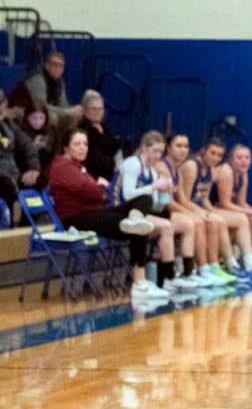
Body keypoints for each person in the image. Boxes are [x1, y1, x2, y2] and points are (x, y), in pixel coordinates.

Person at [46, 127, 168, 301]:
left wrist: (100, 189)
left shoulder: (79, 167)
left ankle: (134, 219)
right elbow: (94, 192)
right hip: (75, 219)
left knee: (143, 200)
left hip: (93, 212)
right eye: (77, 144)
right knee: (139, 228)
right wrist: (101, 187)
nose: (83, 148)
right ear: (66, 147)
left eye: (85, 144)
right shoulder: (62, 167)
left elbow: (100, 194)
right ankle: (139, 283)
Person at [120, 131, 204, 293]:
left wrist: (164, 193)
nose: (158, 155)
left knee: (185, 225)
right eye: (155, 151)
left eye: (160, 151)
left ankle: (185, 274)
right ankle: (168, 276)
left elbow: (158, 206)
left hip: (141, 211)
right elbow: (127, 195)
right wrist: (155, 187)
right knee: (168, 226)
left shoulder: (151, 171)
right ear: (144, 149)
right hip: (121, 211)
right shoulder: (133, 164)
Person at [179, 138, 252, 285]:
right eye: (213, 153)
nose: (216, 158)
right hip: (191, 209)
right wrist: (207, 212)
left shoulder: (210, 168)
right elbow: (186, 199)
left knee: (243, 218)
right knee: (239, 219)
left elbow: (205, 199)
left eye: (219, 155)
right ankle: (231, 264)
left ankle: (241, 262)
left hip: (203, 208)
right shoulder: (197, 166)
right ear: (203, 151)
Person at [162, 133, 228, 287]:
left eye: (185, 146)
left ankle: (210, 267)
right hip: (157, 211)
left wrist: (203, 212)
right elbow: (167, 202)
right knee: (197, 222)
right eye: (178, 146)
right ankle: (199, 270)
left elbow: (185, 198)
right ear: (168, 148)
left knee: (209, 220)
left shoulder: (177, 170)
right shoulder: (164, 168)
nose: (183, 150)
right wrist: (192, 213)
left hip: (170, 209)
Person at [9, 51, 83, 122]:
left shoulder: (60, 82)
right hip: (21, 111)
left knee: (73, 117)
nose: (58, 68)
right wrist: (67, 111)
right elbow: (41, 107)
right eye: (55, 64)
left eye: (61, 66)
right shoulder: (37, 78)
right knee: (52, 117)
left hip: (41, 113)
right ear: (47, 65)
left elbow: (63, 104)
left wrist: (73, 111)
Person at [0, 89, 41, 217]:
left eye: (0, 103)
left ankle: (34, 219)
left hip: (14, 174)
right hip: (2, 176)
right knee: (7, 185)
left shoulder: (9, 124)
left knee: (36, 181)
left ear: (5, 104)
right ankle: (10, 225)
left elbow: (27, 145)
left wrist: (33, 168)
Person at [78, 90, 120, 183]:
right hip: (91, 177)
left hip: (108, 176)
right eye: (93, 109)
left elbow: (114, 147)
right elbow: (93, 158)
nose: (97, 112)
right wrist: (111, 162)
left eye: (100, 109)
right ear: (84, 110)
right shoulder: (82, 130)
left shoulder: (104, 127)